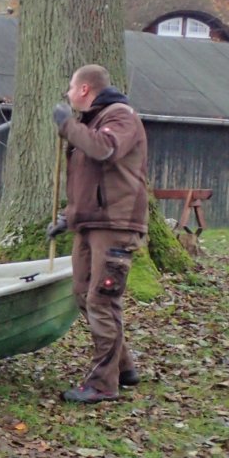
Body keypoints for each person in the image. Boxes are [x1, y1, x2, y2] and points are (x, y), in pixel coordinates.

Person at [48, 64, 148, 404]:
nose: (68, 94)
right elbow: (89, 180)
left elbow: (105, 150)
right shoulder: (90, 122)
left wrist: (67, 126)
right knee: (81, 294)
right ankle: (123, 367)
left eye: (71, 87)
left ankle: (104, 384)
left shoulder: (121, 117)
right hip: (91, 223)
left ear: (86, 90)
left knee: (101, 300)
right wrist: (68, 216)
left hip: (116, 224)